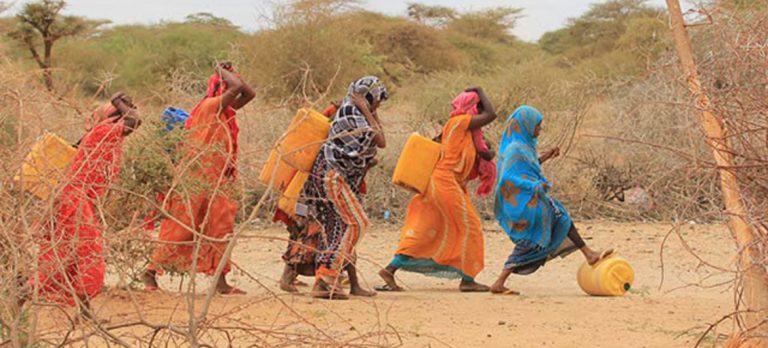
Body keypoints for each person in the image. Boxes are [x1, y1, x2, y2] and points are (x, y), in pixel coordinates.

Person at [142, 62, 255, 294]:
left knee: (220, 228)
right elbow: (235, 88)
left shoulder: (225, 111)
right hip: (195, 179)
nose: (233, 91)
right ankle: (150, 271)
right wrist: (219, 70)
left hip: (219, 180)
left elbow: (249, 93)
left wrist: (229, 74)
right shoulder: (209, 107)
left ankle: (220, 281)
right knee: (180, 228)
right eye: (227, 86)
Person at [26, 92, 141, 319]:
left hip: (74, 200)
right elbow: (134, 121)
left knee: (66, 255)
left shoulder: (101, 134)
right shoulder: (104, 132)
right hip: (74, 201)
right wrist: (119, 100)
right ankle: (24, 295)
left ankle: (80, 312)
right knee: (89, 254)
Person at [377, 87, 497, 292]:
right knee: (471, 226)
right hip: (444, 182)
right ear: (469, 108)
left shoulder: (462, 131)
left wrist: (485, 153)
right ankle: (468, 279)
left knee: (427, 228)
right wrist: (480, 90)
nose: (478, 112)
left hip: (445, 183)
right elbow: (491, 114)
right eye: (476, 107)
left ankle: (390, 269)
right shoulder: (459, 121)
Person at [489, 105, 613, 295]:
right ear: (526, 125)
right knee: (531, 239)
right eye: (537, 126)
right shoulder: (514, 148)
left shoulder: (525, 146)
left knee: (561, 216)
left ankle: (589, 254)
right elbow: (508, 176)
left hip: (532, 197)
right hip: (519, 202)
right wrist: (533, 185)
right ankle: (499, 281)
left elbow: (526, 167)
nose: (539, 130)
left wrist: (545, 157)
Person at [298, 76, 387, 300]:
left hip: (337, 177)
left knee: (338, 227)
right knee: (356, 223)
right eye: (376, 100)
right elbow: (379, 139)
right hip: (330, 176)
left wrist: (370, 110)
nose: (378, 105)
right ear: (367, 98)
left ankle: (327, 281)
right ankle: (326, 279)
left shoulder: (358, 113)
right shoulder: (351, 113)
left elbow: (379, 138)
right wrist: (367, 110)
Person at [277, 100, 377, 295]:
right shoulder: (330, 135)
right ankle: (289, 277)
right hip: (313, 192)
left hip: (327, 189)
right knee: (309, 236)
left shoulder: (345, 131)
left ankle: (350, 283)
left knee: (342, 234)